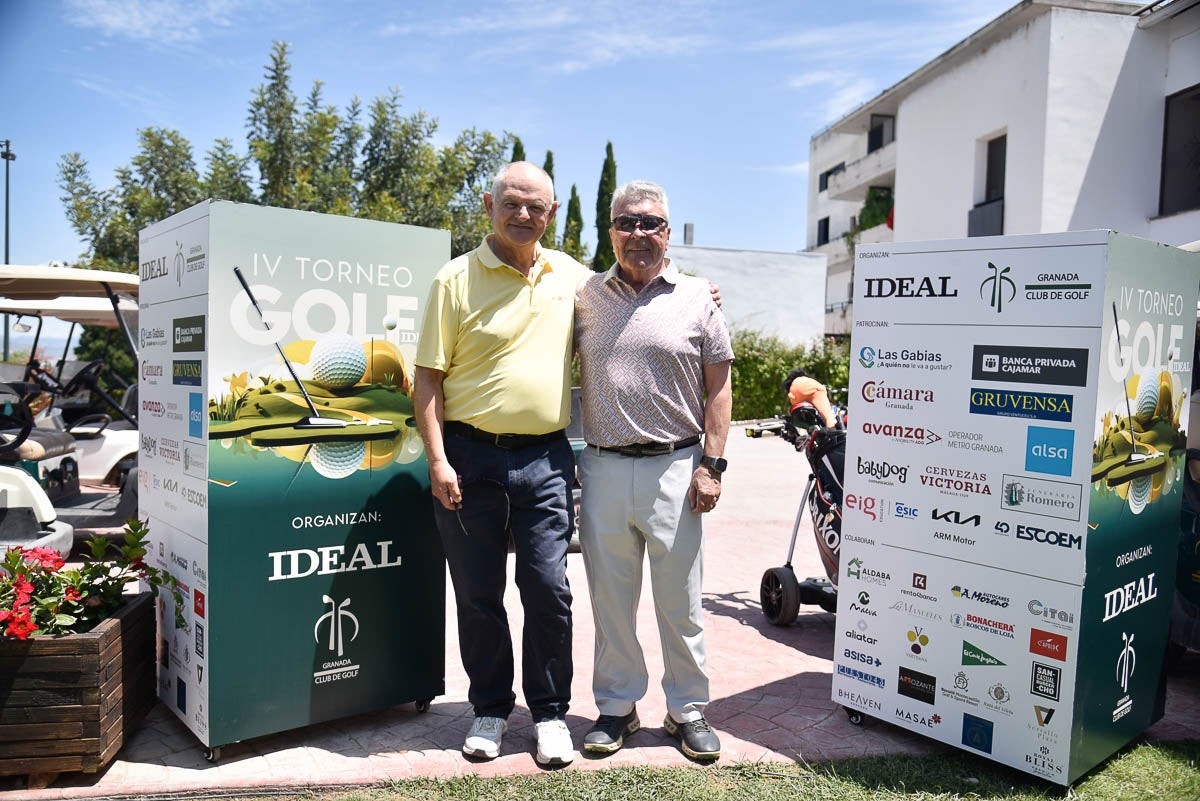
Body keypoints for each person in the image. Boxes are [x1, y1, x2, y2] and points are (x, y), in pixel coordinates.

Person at [413, 161, 580, 766]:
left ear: (551, 214)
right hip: (468, 456)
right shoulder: (455, 280)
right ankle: (488, 709)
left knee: (548, 589)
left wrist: (696, 287)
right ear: (489, 205)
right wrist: (437, 459)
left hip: (546, 458)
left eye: (535, 206)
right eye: (511, 203)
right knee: (478, 593)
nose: (523, 215)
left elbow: (634, 295)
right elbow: (427, 379)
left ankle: (551, 713)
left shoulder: (572, 276)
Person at [573, 180, 733, 761]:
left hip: (677, 466)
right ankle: (617, 707)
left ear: (667, 232)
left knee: (680, 600)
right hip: (604, 468)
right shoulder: (585, 295)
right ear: (610, 231)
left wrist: (713, 465)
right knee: (610, 600)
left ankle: (687, 709)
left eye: (650, 223)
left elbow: (719, 388)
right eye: (626, 223)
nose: (638, 233)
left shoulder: (697, 298)